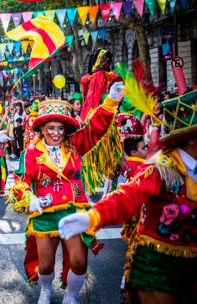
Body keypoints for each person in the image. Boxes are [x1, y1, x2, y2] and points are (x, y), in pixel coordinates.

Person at [59, 89, 197, 304]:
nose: (56, 133)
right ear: (189, 138)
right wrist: (93, 217)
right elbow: (127, 196)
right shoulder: (162, 170)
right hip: (158, 263)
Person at [7, 83, 124, 304]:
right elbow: (20, 183)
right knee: (46, 264)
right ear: (42, 129)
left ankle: (70, 296)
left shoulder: (75, 144)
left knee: (79, 262)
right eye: (50, 128)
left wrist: (111, 101)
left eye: (60, 128)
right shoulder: (30, 153)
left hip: (74, 211)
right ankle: (46, 291)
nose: (56, 133)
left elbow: (95, 128)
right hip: (44, 216)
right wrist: (30, 199)